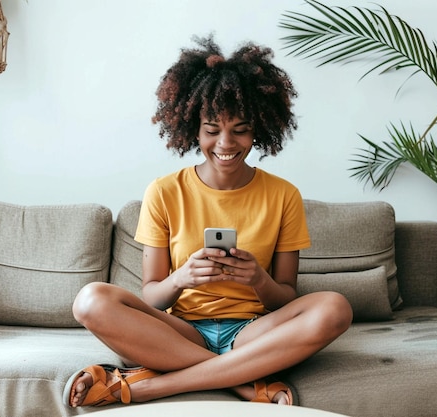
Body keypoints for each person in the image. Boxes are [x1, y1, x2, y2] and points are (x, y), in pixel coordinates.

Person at [64, 35, 353, 408]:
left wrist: (258, 280)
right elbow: (152, 296)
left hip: (253, 332)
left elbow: (286, 296)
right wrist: (182, 277)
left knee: (335, 307)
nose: (226, 143)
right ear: (193, 129)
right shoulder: (164, 191)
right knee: (90, 300)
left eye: (240, 129)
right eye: (212, 129)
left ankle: (151, 386)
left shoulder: (284, 195)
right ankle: (245, 384)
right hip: (181, 333)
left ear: (260, 128)